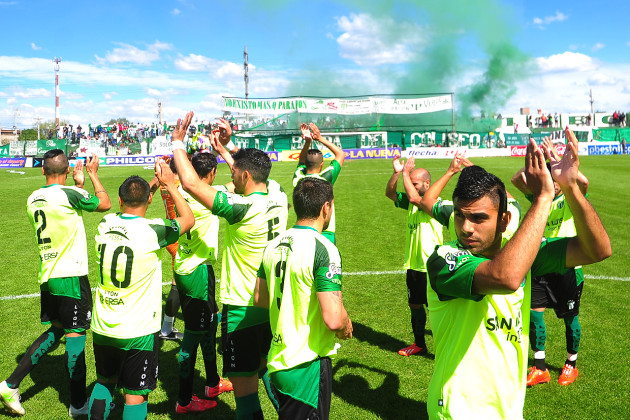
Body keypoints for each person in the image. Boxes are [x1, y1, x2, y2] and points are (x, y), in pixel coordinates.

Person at [425, 130, 610, 419]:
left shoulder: (522, 255)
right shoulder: (443, 259)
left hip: (510, 411)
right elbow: (506, 277)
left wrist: (571, 186)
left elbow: (598, 249)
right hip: (458, 410)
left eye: (479, 217)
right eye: (460, 215)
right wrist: (544, 197)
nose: (465, 227)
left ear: (504, 219)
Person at [170, 111, 289, 420]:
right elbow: (253, 167)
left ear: (246, 177)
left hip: (243, 306)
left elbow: (192, 184)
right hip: (273, 303)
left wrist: (178, 143)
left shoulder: (242, 209)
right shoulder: (278, 194)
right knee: (264, 368)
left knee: (245, 390)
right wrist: (228, 147)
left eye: (236, 171)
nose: (232, 174)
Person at [0, 151, 111, 417]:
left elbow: (65, 212)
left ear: (43, 171)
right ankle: (77, 404)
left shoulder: (33, 198)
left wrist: (77, 186)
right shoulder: (68, 195)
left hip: (48, 275)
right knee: (76, 339)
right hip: (70, 275)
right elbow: (104, 203)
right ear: (67, 169)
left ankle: (10, 385)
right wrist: (92, 176)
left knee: (57, 329)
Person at [88, 163, 195, 420]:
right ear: (150, 198)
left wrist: (152, 185)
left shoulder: (106, 223)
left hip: (103, 325)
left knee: (104, 381)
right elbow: (188, 219)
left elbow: (132, 206)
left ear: (120, 199)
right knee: (135, 395)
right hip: (138, 331)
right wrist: (169, 184)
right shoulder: (153, 231)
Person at [253, 177, 352, 419]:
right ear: (325, 208)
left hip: (279, 360)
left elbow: (259, 298)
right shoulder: (323, 247)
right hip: (306, 365)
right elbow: (333, 319)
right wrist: (346, 324)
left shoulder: (273, 245)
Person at [511, 138, 590, 387]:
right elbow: (515, 179)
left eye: (556, 180)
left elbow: (584, 183)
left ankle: (571, 363)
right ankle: (540, 367)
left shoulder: (569, 197)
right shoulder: (540, 199)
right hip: (540, 265)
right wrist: (537, 164)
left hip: (567, 266)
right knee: (534, 316)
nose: (554, 184)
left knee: (570, 317)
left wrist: (557, 162)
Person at [172, 152, 233, 414]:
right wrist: (224, 150)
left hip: (187, 267)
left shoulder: (182, 190)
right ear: (210, 174)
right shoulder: (207, 194)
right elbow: (241, 181)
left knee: (210, 324)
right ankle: (184, 401)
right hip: (196, 272)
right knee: (192, 338)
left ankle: (211, 383)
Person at [384, 155, 443, 356]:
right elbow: (390, 193)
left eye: (415, 183)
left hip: (431, 266)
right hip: (414, 264)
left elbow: (412, 197)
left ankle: (446, 345)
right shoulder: (411, 204)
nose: (412, 186)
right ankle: (419, 344)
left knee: (438, 308)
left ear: (428, 184)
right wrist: (397, 173)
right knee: (415, 304)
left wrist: (406, 173)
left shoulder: (432, 203)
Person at [149, 158, 184, 341]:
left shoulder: (165, 184)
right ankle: (166, 328)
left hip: (171, 234)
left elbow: (147, 192)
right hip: (180, 237)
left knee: (185, 283)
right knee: (177, 284)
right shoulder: (179, 185)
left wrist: (157, 175)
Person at [292, 122, 345, 243]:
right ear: (321, 165)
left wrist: (307, 142)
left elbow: (301, 161)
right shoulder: (326, 179)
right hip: (326, 234)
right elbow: (340, 154)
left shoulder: (298, 179)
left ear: (306, 163)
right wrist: (319, 138)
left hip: (303, 233)